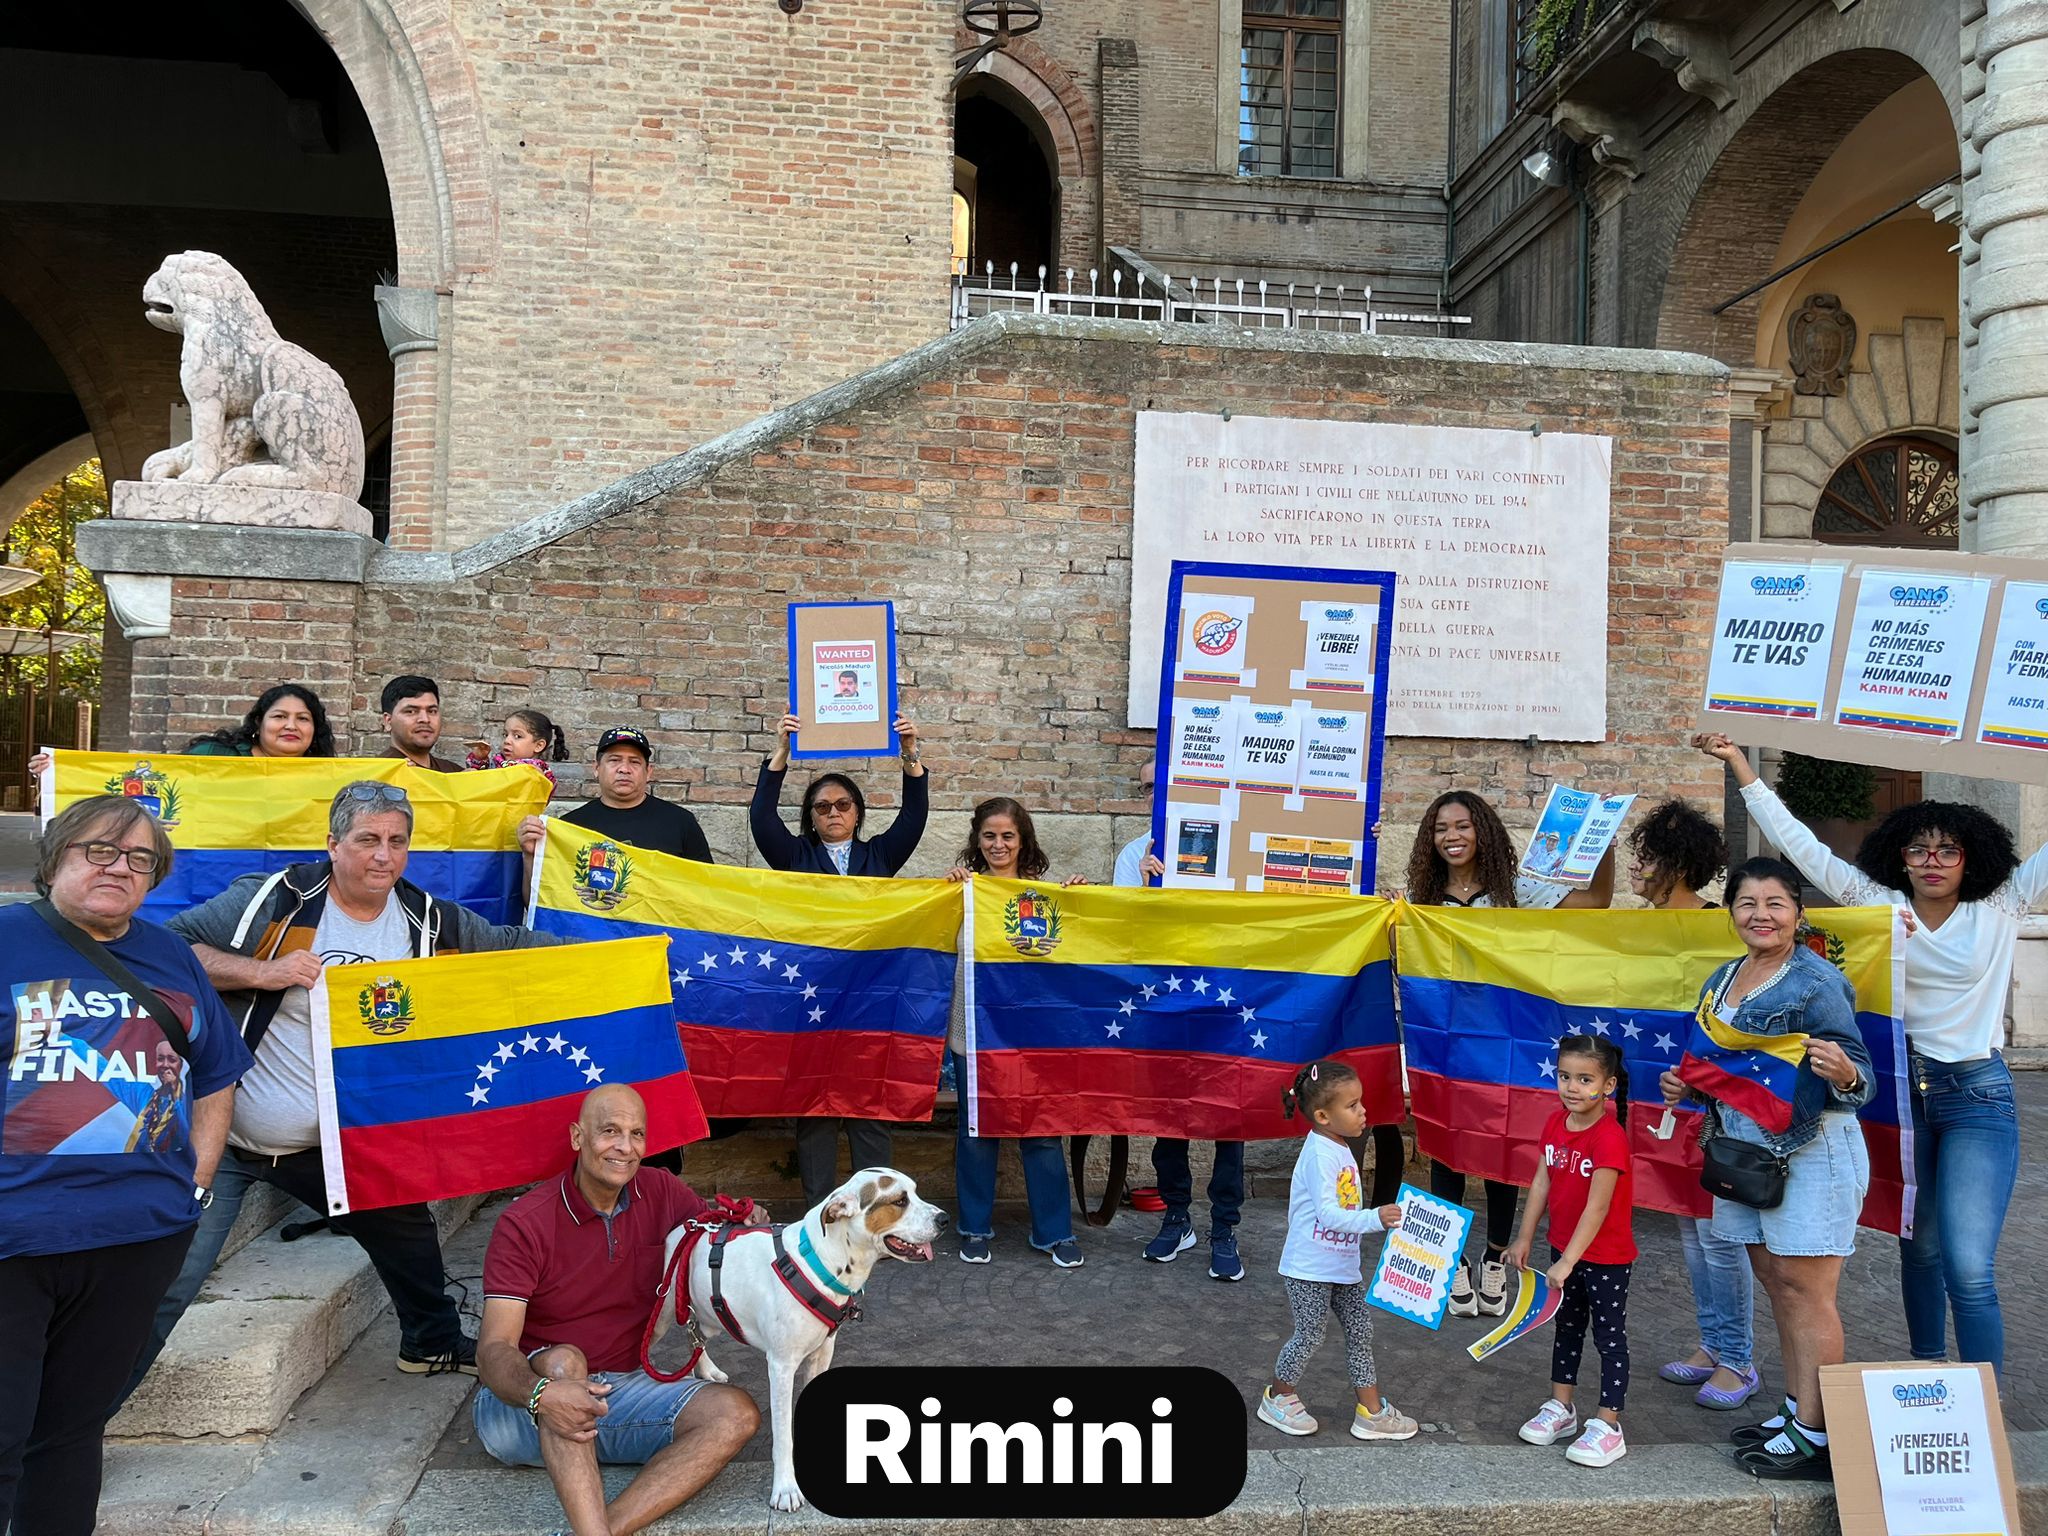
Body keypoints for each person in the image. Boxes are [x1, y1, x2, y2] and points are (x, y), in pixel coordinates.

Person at [121, 781, 562, 1399]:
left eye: (397, 842)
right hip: (227, 1137)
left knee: (405, 1227)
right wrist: (262, 972)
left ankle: (429, 1342)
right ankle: (80, 1422)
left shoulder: (426, 922)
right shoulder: (277, 901)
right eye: (367, 840)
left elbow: (511, 948)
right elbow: (164, 952)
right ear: (333, 844)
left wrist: (622, 951)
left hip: (330, 1143)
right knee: (169, 1281)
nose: (383, 856)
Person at [1699, 734, 2033, 1382]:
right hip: (1903, 1090)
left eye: (1947, 850)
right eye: (1918, 848)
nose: (1932, 860)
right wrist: (1741, 765)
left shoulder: (2003, 905)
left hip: (1977, 1092)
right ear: (1900, 857)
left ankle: (1983, 1409)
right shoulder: (1881, 905)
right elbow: (1801, 849)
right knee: (1921, 1246)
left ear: (1972, 857)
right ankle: (1931, 1377)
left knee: (1968, 1265)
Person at [1, 796, 252, 1535]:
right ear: (54, 861)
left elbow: (216, 1072)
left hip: (137, 1238)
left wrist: (196, 1187)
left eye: (140, 859)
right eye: (98, 851)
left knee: (70, 1436)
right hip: (14, 1241)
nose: (120, 868)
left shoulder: (170, 954)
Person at [1659, 855, 1874, 1481]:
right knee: (1779, 1286)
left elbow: (1857, 1076)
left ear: (1798, 913)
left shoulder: (1816, 980)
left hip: (1810, 1151)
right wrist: (1688, 1085)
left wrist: (1847, 1071)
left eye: (1775, 903)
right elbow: (1724, 1071)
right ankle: (1795, 1409)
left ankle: (1819, 1432)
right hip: (1745, 1155)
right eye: (1748, 903)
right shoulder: (1724, 979)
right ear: (1731, 913)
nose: (1761, 915)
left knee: (1809, 1293)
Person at [474, 1085, 758, 1536]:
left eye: (637, 1134)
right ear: (577, 1138)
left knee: (735, 1414)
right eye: (609, 1131)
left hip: (619, 1394)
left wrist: (748, 1223)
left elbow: (714, 1233)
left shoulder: (660, 1190)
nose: (625, 1147)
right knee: (565, 1362)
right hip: (521, 1409)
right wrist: (541, 1394)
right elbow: (492, 1350)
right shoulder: (525, 1223)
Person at [1402, 789, 1616, 1319]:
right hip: (1445, 1045)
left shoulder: (1516, 892)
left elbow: (1596, 904)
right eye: (1440, 828)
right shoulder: (1421, 902)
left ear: (1485, 832)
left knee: (1498, 1149)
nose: (1452, 836)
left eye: (1463, 826)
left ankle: (1496, 1257)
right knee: (1446, 1148)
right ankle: (1448, 1261)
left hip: (1504, 1042)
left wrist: (1601, 837)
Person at [750, 712, 930, 1208]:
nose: (833, 812)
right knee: (816, 1108)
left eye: (843, 804)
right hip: (811, 999)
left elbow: (914, 818)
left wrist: (909, 753)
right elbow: (763, 819)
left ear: (857, 813)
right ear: (811, 815)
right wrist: (780, 755)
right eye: (822, 805)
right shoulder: (794, 858)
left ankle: (881, 1210)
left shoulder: (880, 857)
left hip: (870, 1000)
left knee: (869, 1105)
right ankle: (820, 1211)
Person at [1628, 799, 1760, 1412]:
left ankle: (1738, 1358)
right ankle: (1714, 1342)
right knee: (1687, 1227)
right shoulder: (1636, 927)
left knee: (1719, 1235)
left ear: (1676, 864)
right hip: (1663, 1102)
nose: (1638, 869)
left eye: (1647, 858)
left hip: (1715, 1106)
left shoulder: (1721, 927)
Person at [1112, 780, 1245, 1280]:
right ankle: (1177, 1217)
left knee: (1229, 1120)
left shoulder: (1238, 841)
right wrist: (1143, 893)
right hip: (1164, 1004)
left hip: (1226, 1003)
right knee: (1171, 1119)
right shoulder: (1136, 851)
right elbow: (1123, 932)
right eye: (1149, 788)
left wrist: (1357, 843)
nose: (1157, 795)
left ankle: (1225, 1227)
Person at [944, 797, 1085, 1268]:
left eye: (1007, 835)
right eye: (989, 836)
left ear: (1022, 840)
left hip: (1032, 1037)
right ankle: (974, 1226)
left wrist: (1082, 903)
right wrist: (945, 890)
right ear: (976, 840)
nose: (998, 844)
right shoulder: (961, 892)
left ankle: (1053, 1232)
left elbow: (1071, 952)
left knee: (1042, 1131)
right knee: (976, 1129)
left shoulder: (1047, 895)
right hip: (975, 1033)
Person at [1256, 1060, 1417, 1443]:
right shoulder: (1319, 1155)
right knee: (1310, 1334)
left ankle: (1371, 1412)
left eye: (1360, 1103)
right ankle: (1278, 1397)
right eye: (1353, 1106)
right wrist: (1375, 1218)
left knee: (1361, 1331)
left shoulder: (1340, 1146)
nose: (1363, 1111)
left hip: (1342, 1265)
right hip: (1309, 1267)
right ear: (1323, 1115)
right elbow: (1330, 1215)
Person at [1504, 1035, 1637, 1469]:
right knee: (1568, 1327)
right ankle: (1562, 1408)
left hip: (1605, 1257)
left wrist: (1568, 1261)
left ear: (1609, 1085)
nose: (1572, 1087)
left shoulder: (1610, 1138)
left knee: (1609, 1337)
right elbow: (1542, 1181)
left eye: (1584, 1079)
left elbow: (1598, 1207)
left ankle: (1607, 1425)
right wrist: (1525, 1237)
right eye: (1565, 1076)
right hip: (1565, 1251)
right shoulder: (1554, 1124)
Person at [521, 726, 711, 870]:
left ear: (648, 772)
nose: (624, 769)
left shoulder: (680, 823)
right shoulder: (571, 827)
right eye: (614, 760)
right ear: (596, 768)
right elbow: (543, 903)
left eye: (634, 762)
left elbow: (706, 890)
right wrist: (531, 856)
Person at [186, 682, 337, 757]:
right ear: (258, 723)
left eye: (303, 718)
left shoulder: (324, 775)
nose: (291, 726)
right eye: (279, 716)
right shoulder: (212, 755)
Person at [466, 707, 570, 789]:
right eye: (505, 734)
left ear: (538, 745)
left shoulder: (537, 771)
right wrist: (479, 759)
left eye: (517, 736)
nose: (507, 740)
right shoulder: (499, 760)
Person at [380, 674, 464, 772]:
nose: (425, 719)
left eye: (432, 711)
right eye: (411, 711)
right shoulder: (377, 777)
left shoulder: (454, 773)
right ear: (388, 721)